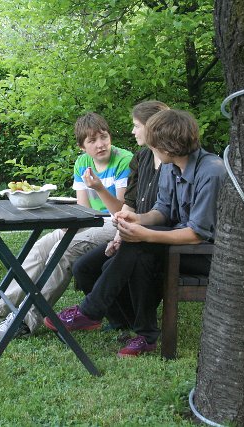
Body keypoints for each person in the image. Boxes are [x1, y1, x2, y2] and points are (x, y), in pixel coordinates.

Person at [45, 109, 226, 358]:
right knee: (93, 263)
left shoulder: (211, 172)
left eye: (154, 145)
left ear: (168, 146)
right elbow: (163, 210)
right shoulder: (170, 166)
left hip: (206, 254)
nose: (151, 150)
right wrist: (137, 219)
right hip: (175, 240)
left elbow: (197, 234)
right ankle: (141, 333)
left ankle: (91, 312)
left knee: (137, 246)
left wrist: (145, 235)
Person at [0, 112, 133, 340]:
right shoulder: (83, 163)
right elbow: (84, 210)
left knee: (62, 251)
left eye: (104, 137)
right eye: (92, 140)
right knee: (40, 247)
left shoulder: (124, 160)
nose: (100, 144)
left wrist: (99, 188)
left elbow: (120, 212)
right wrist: (71, 225)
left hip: (117, 225)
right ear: (82, 147)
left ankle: (25, 319)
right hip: (93, 222)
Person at [72, 100, 169, 330]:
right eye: (92, 140)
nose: (132, 131)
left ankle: (90, 312)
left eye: (136, 125)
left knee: (105, 263)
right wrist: (119, 235)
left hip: (156, 237)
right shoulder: (142, 158)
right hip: (134, 230)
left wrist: (127, 232)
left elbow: (166, 213)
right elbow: (131, 204)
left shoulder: (170, 163)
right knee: (82, 268)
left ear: (152, 126)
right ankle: (122, 322)